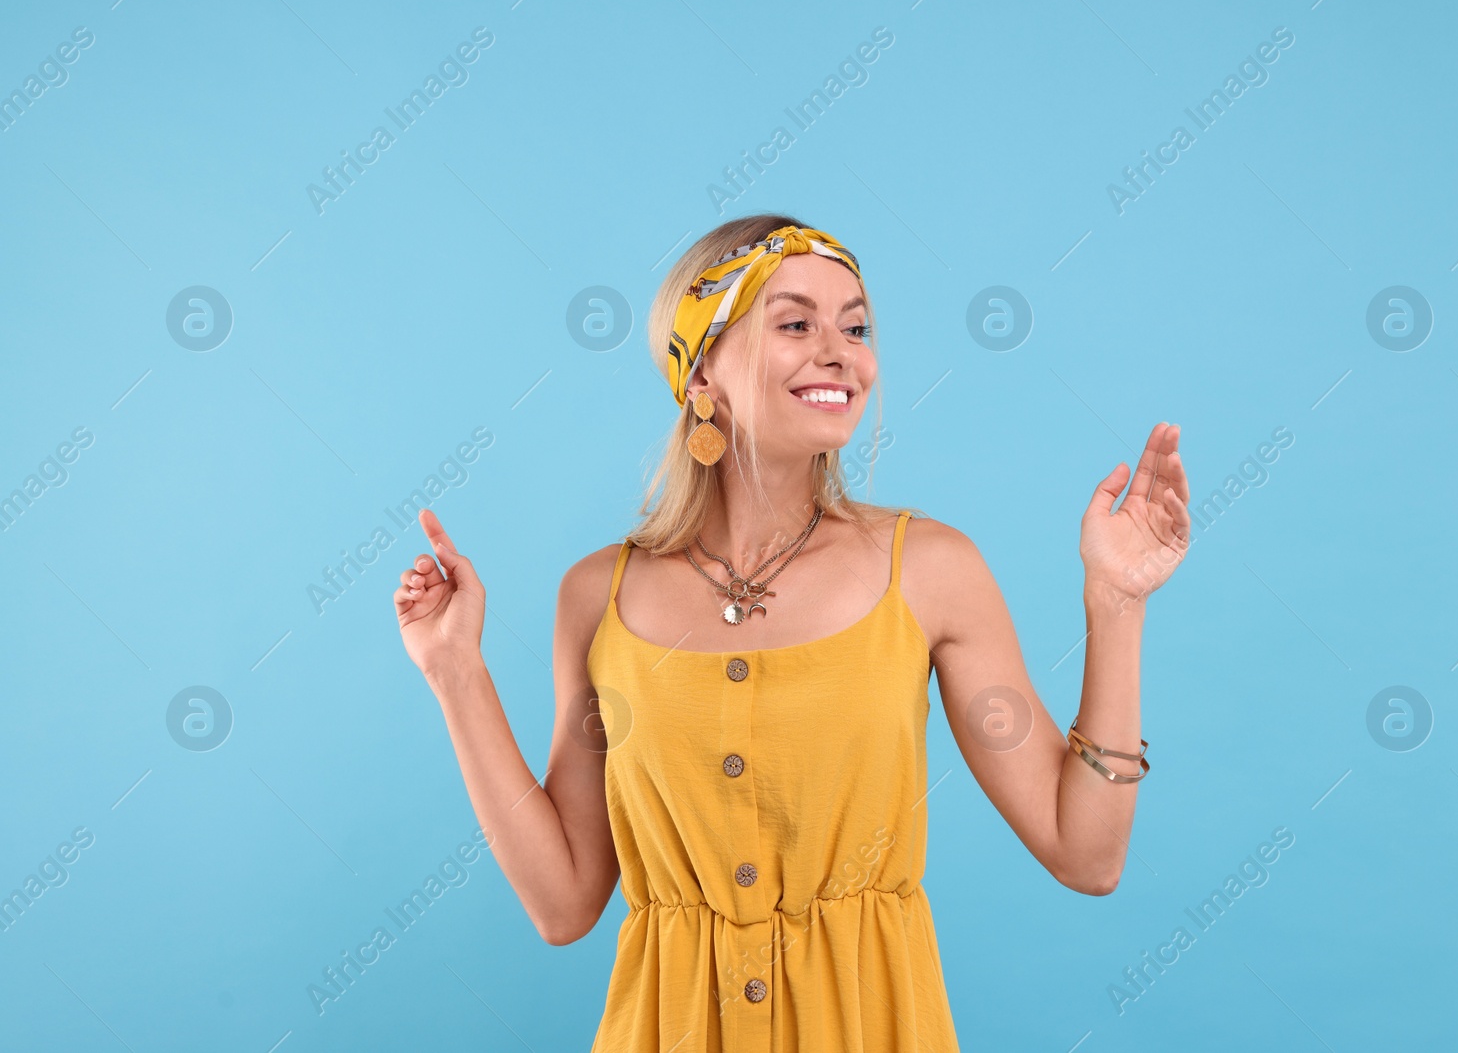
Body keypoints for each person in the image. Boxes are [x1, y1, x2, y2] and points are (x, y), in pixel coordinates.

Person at [393, 216, 1190, 1051]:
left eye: (855, 325)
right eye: (795, 323)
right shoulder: (598, 596)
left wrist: (1117, 601)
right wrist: (454, 671)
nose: (841, 351)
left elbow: (1085, 852)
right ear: (702, 370)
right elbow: (564, 903)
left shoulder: (929, 570)